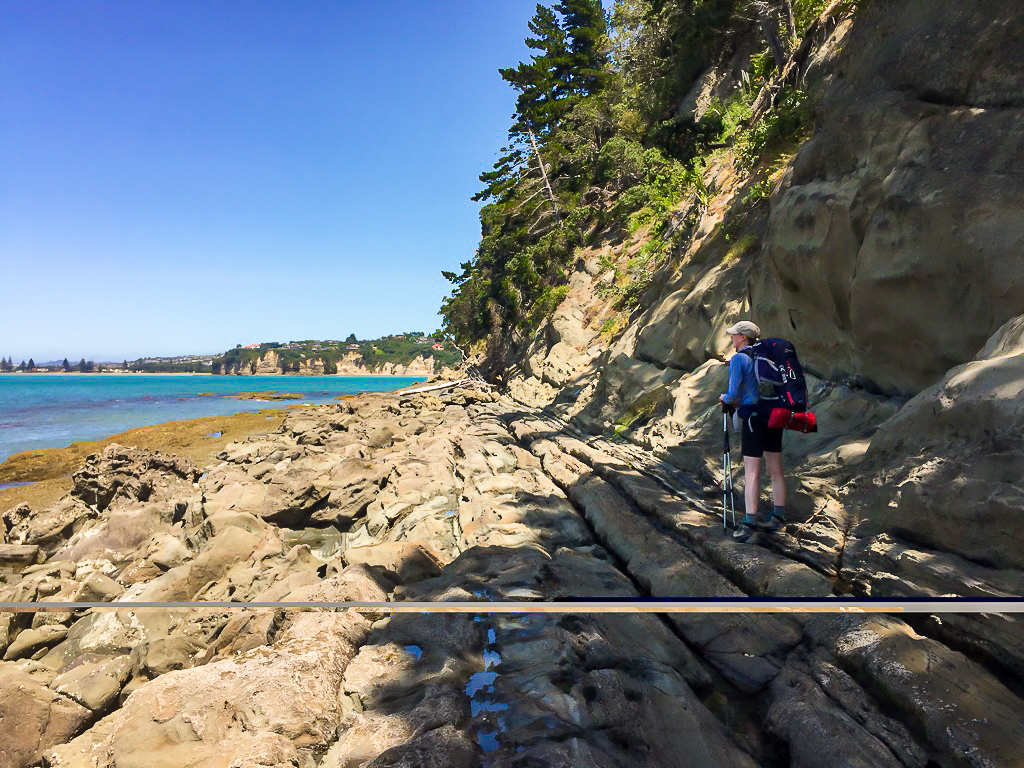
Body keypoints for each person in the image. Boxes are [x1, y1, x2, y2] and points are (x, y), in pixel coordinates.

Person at [719, 320, 787, 542]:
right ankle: (779, 519)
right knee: (775, 470)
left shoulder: (739, 358)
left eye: (734, 335)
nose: (732, 338)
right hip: (774, 416)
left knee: (752, 471)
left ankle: (749, 523)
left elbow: (732, 393)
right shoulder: (768, 358)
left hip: (753, 419)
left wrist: (725, 399)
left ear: (743, 338)